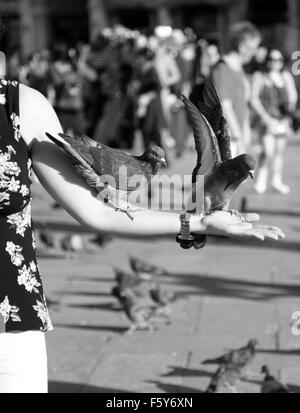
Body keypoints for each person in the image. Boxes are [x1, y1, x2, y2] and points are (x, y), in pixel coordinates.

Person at [0, 57, 284, 392]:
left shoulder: (21, 106)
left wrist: (199, 222)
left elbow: (99, 211)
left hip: (11, 316)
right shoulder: (204, 161)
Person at [251, 48, 298, 194]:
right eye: (272, 59)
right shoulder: (259, 76)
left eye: (278, 60)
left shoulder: (285, 76)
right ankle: (261, 180)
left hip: (282, 120)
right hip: (266, 120)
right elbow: (253, 99)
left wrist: (288, 112)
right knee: (268, 150)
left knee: (279, 151)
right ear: (267, 61)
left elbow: (293, 96)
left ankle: (276, 180)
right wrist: (265, 117)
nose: (275, 63)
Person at [211, 21, 261, 157]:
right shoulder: (223, 68)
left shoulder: (238, 68)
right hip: (228, 139)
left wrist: (245, 131)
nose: (255, 52)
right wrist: (238, 136)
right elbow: (225, 106)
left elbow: (242, 104)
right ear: (242, 46)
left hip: (237, 136)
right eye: (253, 47)